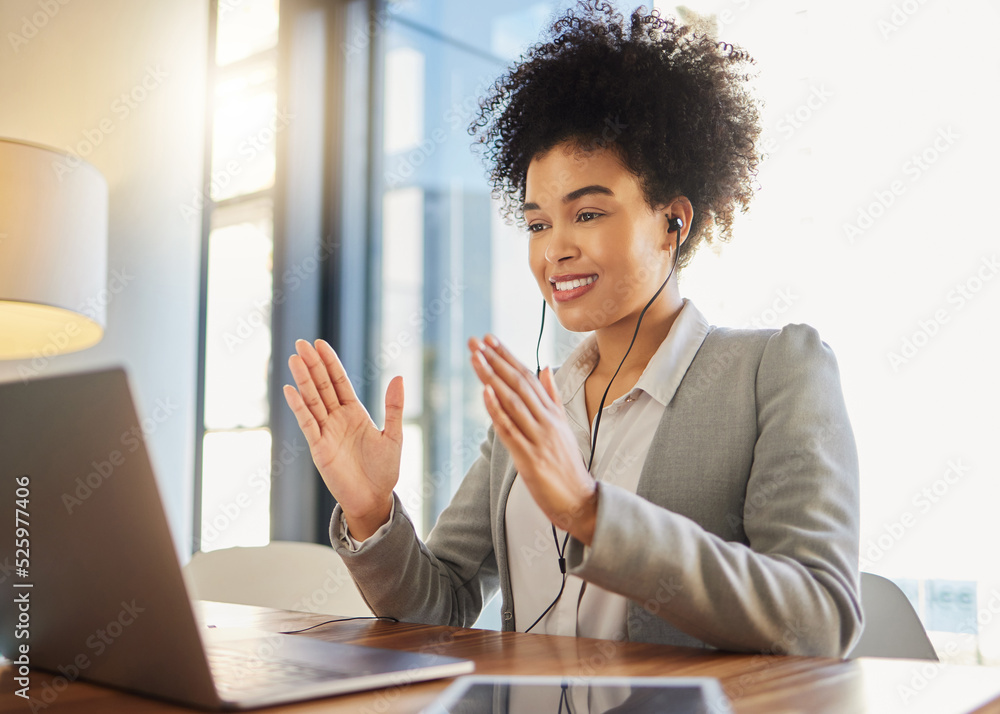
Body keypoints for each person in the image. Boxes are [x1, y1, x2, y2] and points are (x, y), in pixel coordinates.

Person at [283, 1, 862, 657]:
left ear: (673, 221)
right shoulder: (535, 408)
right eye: (536, 223)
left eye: (586, 214)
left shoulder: (775, 372)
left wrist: (591, 512)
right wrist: (371, 513)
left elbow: (819, 620)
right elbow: (438, 605)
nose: (553, 250)